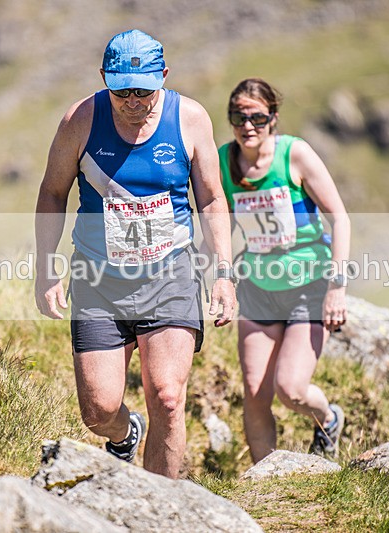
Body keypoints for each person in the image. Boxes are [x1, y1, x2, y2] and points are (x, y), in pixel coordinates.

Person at [34, 29, 236, 479]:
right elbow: (52, 193)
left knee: (167, 395)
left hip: (170, 276)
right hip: (98, 280)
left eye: (142, 91)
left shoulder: (190, 119)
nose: (131, 101)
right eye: (120, 90)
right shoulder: (81, 120)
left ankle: (161, 509)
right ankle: (125, 435)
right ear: (104, 80)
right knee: (98, 410)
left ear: (163, 77)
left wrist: (223, 272)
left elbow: (211, 199)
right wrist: (46, 268)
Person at [218, 78, 351, 463]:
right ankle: (265, 483)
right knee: (255, 392)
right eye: (238, 117)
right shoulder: (225, 163)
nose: (247, 126)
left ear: (273, 118)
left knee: (290, 389)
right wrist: (219, 277)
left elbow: (340, 218)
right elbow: (221, 227)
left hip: (308, 286)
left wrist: (337, 288)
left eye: (257, 118)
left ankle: (328, 418)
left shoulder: (295, 155)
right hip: (257, 289)